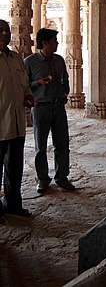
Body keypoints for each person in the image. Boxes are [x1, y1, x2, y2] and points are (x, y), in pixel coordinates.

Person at [24, 28, 75, 193]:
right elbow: (24, 87)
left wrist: (65, 92)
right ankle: (42, 179)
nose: (57, 43)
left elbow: (65, 80)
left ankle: (62, 177)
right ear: (45, 43)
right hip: (41, 108)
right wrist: (38, 83)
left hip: (58, 106)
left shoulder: (59, 60)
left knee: (62, 144)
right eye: (54, 41)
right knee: (41, 146)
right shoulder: (30, 62)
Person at [0, 19, 34, 220]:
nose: (4, 34)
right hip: (0, 125)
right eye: (0, 31)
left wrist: (28, 95)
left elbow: (24, 85)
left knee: (14, 167)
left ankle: (13, 204)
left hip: (16, 123)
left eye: (6, 31)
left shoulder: (15, 58)